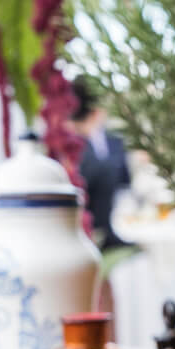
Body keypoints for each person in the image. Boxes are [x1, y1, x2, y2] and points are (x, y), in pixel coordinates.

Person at [68, 78, 130, 248]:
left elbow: (125, 181)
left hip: (115, 228)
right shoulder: (68, 147)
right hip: (89, 239)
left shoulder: (113, 139)